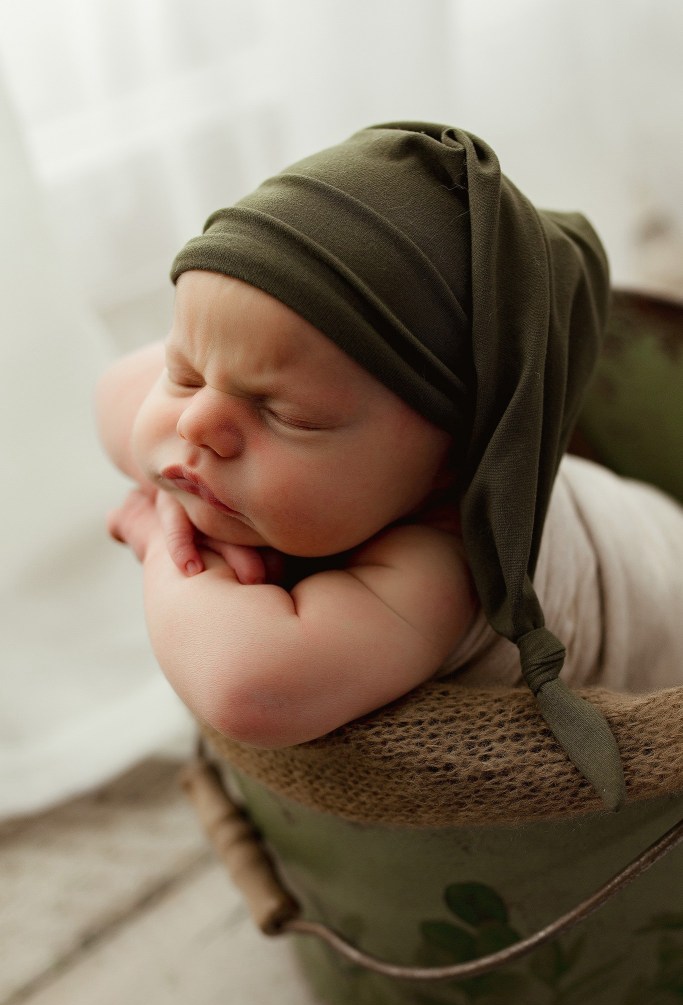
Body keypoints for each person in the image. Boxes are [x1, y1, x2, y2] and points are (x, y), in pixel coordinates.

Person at [96, 122, 683, 810]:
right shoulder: (353, 459)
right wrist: (177, 484)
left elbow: (246, 687)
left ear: (453, 463)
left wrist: (158, 537)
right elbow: (116, 390)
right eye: (186, 372)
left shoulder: (441, 565)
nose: (195, 424)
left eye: (283, 414)